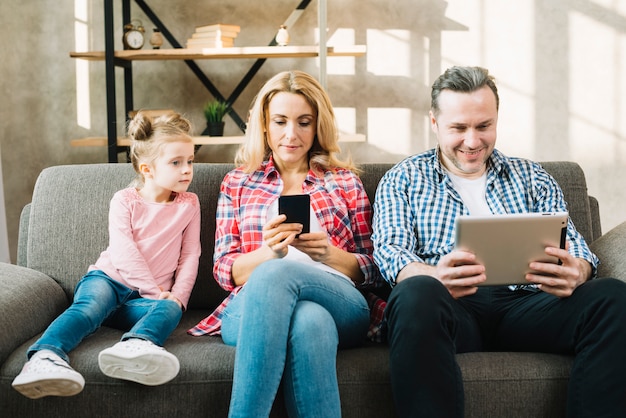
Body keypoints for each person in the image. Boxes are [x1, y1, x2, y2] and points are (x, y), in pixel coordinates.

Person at [372, 66, 626, 417]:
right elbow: (389, 252)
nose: (473, 141)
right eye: (458, 128)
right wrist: (434, 275)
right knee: (415, 291)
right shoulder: (402, 179)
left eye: (483, 126)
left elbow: (577, 247)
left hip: (529, 308)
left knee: (612, 297)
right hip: (451, 308)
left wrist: (578, 270)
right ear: (434, 123)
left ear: (496, 120)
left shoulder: (533, 176)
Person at [188, 70, 383, 417]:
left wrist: (330, 255)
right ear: (264, 124)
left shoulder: (344, 182)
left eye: (304, 122)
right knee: (309, 321)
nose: (291, 134)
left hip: (341, 301)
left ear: (317, 125)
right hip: (250, 307)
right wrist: (269, 253)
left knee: (278, 275)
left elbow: (374, 268)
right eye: (280, 121)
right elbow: (224, 271)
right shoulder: (238, 183)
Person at [12, 111, 201, 399]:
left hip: (142, 301)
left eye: (190, 161)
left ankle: (135, 344)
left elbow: (190, 254)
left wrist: (177, 296)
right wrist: (155, 289)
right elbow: (125, 253)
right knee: (88, 309)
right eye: (176, 162)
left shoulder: (189, 204)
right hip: (108, 281)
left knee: (173, 308)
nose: (187, 169)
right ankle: (44, 358)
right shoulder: (124, 200)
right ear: (148, 169)